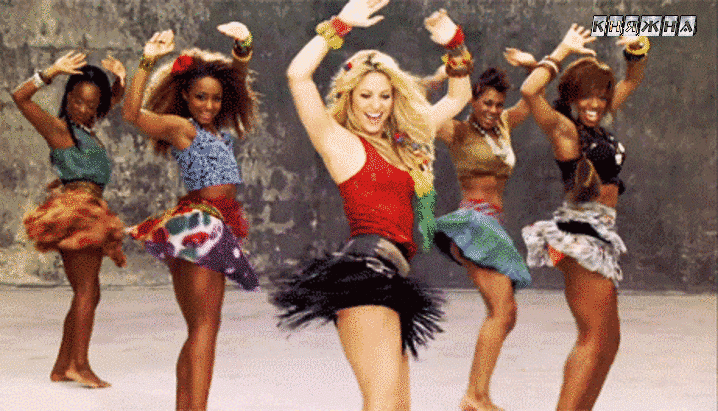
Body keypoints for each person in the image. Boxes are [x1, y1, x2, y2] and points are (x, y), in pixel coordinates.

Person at [271, 1, 472, 410]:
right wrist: (341, 24)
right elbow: (297, 75)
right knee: (382, 404)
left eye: (384, 96)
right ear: (350, 98)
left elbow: (458, 97)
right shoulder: (339, 142)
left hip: (394, 277)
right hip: (364, 275)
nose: (375, 106)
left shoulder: (405, 144)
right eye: (365, 96)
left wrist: (454, 44)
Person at [122, 23, 259, 410]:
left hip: (208, 224)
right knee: (206, 327)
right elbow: (131, 114)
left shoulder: (219, 132)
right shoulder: (183, 128)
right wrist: (148, 60)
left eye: (215, 99)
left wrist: (242, 47)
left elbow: (236, 82)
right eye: (201, 97)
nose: (209, 106)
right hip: (202, 225)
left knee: (200, 328)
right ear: (185, 95)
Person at [519, 24, 649, 410]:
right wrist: (561, 50)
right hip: (580, 236)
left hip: (600, 233)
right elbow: (529, 92)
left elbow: (632, 79)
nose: (595, 104)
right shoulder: (565, 130)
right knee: (593, 338)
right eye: (586, 96)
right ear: (573, 97)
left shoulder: (599, 119)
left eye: (601, 96)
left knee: (608, 342)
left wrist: (637, 49)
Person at [426, 49, 537, 410]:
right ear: (472, 100)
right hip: (473, 225)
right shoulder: (456, 130)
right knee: (502, 311)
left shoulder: (504, 125)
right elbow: (421, 113)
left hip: (493, 226)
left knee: (506, 313)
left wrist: (533, 66)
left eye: (498, 104)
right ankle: (474, 396)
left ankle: (478, 395)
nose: (492, 110)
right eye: (486, 103)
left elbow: (532, 99)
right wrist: (441, 78)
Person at [13, 52, 127, 388]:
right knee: (87, 291)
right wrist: (50, 72)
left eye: (90, 105)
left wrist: (120, 79)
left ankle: (63, 366)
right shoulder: (59, 129)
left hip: (90, 209)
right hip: (77, 213)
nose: (83, 109)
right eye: (77, 101)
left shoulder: (85, 129)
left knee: (87, 292)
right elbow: (20, 97)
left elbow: (110, 100)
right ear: (68, 98)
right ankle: (80, 365)